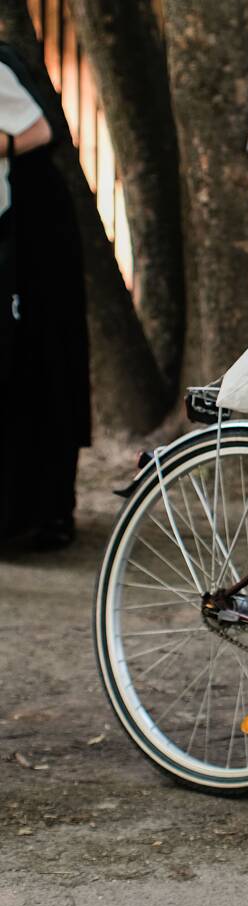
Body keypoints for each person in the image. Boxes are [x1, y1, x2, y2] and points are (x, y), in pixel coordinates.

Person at [0, 46, 90, 550]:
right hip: (19, 238)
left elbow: (36, 132)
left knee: (36, 365)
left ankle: (38, 515)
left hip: (30, 245)